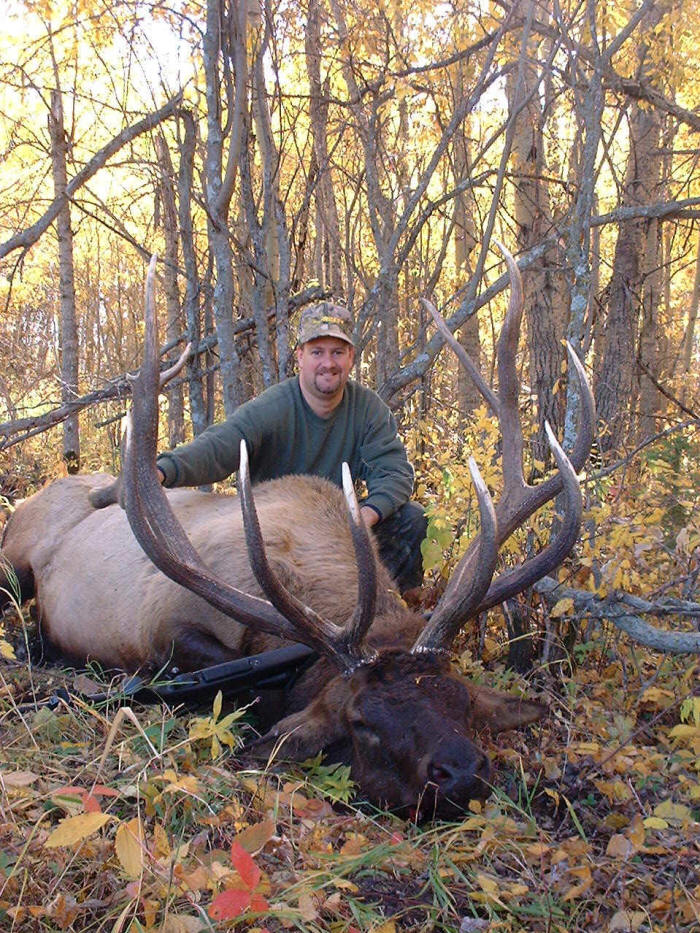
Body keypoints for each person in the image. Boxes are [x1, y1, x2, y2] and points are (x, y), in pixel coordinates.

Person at [156, 303, 427, 592]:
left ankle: (395, 612)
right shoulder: (273, 407)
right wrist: (162, 471)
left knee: (411, 519)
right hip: (279, 538)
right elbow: (219, 446)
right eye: (317, 352)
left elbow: (394, 473)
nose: (328, 363)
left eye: (337, 352)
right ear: (300, 356)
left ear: (351, 357)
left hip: (338, 533)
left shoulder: (368, 410)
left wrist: (363, 518)